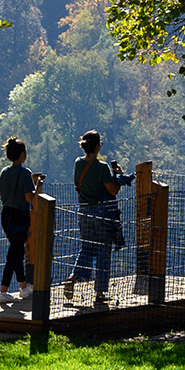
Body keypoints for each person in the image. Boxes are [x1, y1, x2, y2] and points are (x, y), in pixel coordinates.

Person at [64, 130, 132, 307]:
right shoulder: (102, 167)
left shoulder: (78, 163)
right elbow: (113, 191)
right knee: (103, 252)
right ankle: (100, 293)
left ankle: (73, 276)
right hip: (102, 214)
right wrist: (117, 175)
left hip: (84, 212)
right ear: (97, 146)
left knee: (86, 248)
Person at [0, 138, 40, 306]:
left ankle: (23, 286)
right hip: (20, 215)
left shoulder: (5, 172)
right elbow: (29, 197)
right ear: (22, 154)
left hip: (6, 214)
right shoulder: (25, 173)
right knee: (13, 253)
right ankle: (3, 291)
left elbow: (0, 192)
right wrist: (37, 187)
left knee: (17, 250)